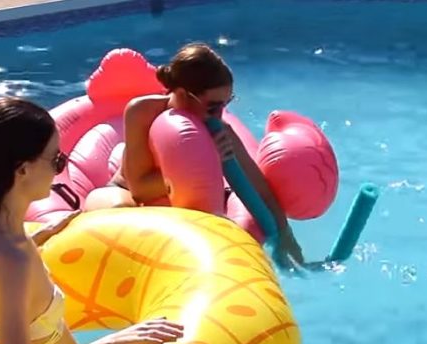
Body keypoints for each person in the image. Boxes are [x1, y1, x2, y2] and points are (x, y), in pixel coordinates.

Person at [0, 96, 185, 344]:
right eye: (56, 160)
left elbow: (0, 275)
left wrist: (38, 237)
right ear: (22, 170)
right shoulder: (10, 259)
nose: (59, 171)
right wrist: (112, 342)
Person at [84, 42, 305, 269]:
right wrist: (208, 161)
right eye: (213, 107)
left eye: (226, 104)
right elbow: (140, 189)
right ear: (183, 94)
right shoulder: (142, 111)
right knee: (118, 212)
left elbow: (258, 187)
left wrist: (285, 236)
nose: (220, 115)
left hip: (179, 206)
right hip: (126, 193)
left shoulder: (219, 129)